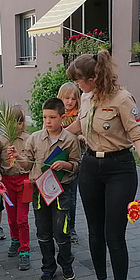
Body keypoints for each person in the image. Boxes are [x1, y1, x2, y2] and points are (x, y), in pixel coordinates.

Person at [65, 50, 140, 280]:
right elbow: (79, 125)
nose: (78, 86)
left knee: (114, 234)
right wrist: (52, 135)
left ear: (94, 77)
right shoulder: (86, 97)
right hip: (90, 168)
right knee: (94, 231)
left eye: (81, 81)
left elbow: (138, 135)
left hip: (119, 169)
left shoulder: (122, 99)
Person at [9, 98, 81, 280]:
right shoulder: (35, 138)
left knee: (61, 231)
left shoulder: (70, 140)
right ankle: (48, 267)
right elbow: (26, 165)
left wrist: (66, 164)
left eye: (52, 117)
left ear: (62, 118)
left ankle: (66, 264)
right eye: (45, 117)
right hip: (39, 191)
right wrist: (17, 157)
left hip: (61, 191)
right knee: (43, 231)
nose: (48, 121)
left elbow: (77, 165)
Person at [0, 105, 32, 270]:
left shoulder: (29, 139)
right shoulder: (0, 140)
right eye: (14, 122)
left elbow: (31, 162)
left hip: (25, 182)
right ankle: (15, 239)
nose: (18, 126)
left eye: (20, 122)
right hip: (7, 182)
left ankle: (25, 250)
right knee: (11, 216)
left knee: (22, 218)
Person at [57, 82, 84, 245]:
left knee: (72, 197)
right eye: (67, 98)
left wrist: (81, 138)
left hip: (74, 162)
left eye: (73, 99)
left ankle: (71, 227)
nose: (70, 102)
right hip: (57, 160)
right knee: (58, 194)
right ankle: (58, 226)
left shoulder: (80, 116)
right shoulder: (56, 115)